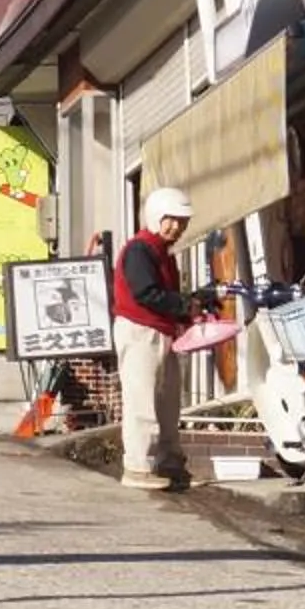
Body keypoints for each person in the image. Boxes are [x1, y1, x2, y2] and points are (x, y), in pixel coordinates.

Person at [111, 186, 208, 491]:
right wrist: (184, 306)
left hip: (161, 331)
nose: (177, 227)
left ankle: (170, 464)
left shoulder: (162, 253)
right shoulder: (139, 250)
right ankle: (137, 467)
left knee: (168, 404)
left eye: (182, 221)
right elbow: (146, 293)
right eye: (171, 219)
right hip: (140, 331)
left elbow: (161, 296)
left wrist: (186, 312)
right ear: (155, 216)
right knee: (141, 401)